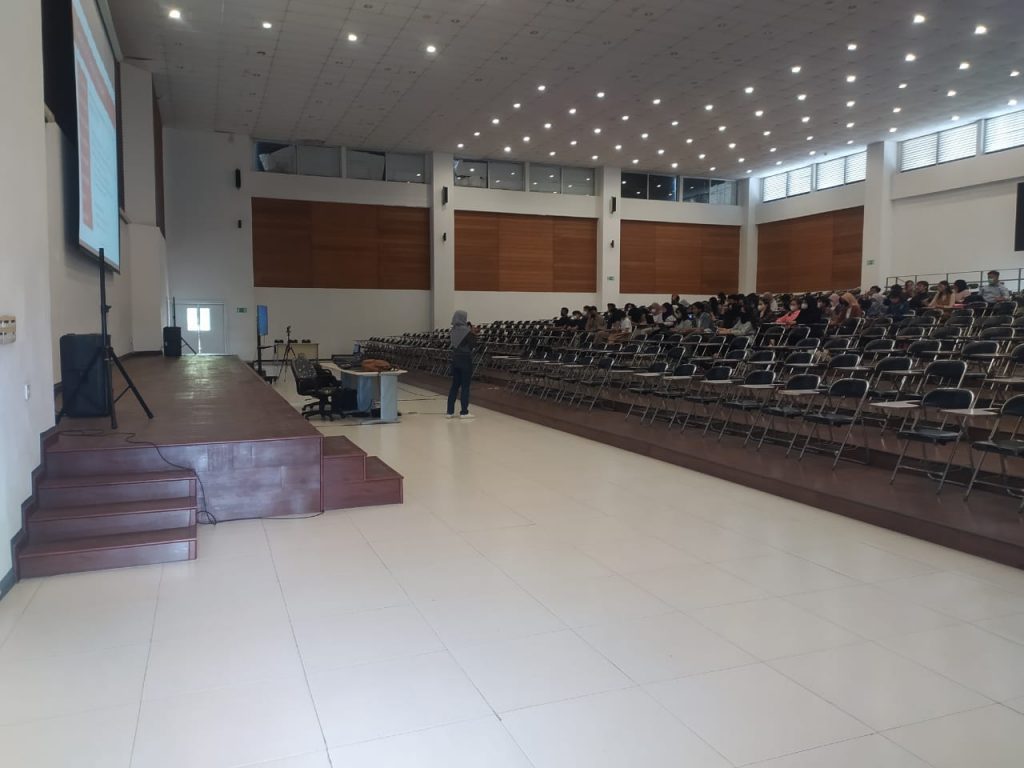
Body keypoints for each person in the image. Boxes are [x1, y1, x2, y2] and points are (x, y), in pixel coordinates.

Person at [446, 310, 476, 419]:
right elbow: (472, 345)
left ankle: (449, 411)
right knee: (465, 387)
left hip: (455, 360)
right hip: (465, 360)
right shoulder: (466, 331)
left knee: (454, 386)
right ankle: (464, 412)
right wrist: (473, 332)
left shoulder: (453, 330)